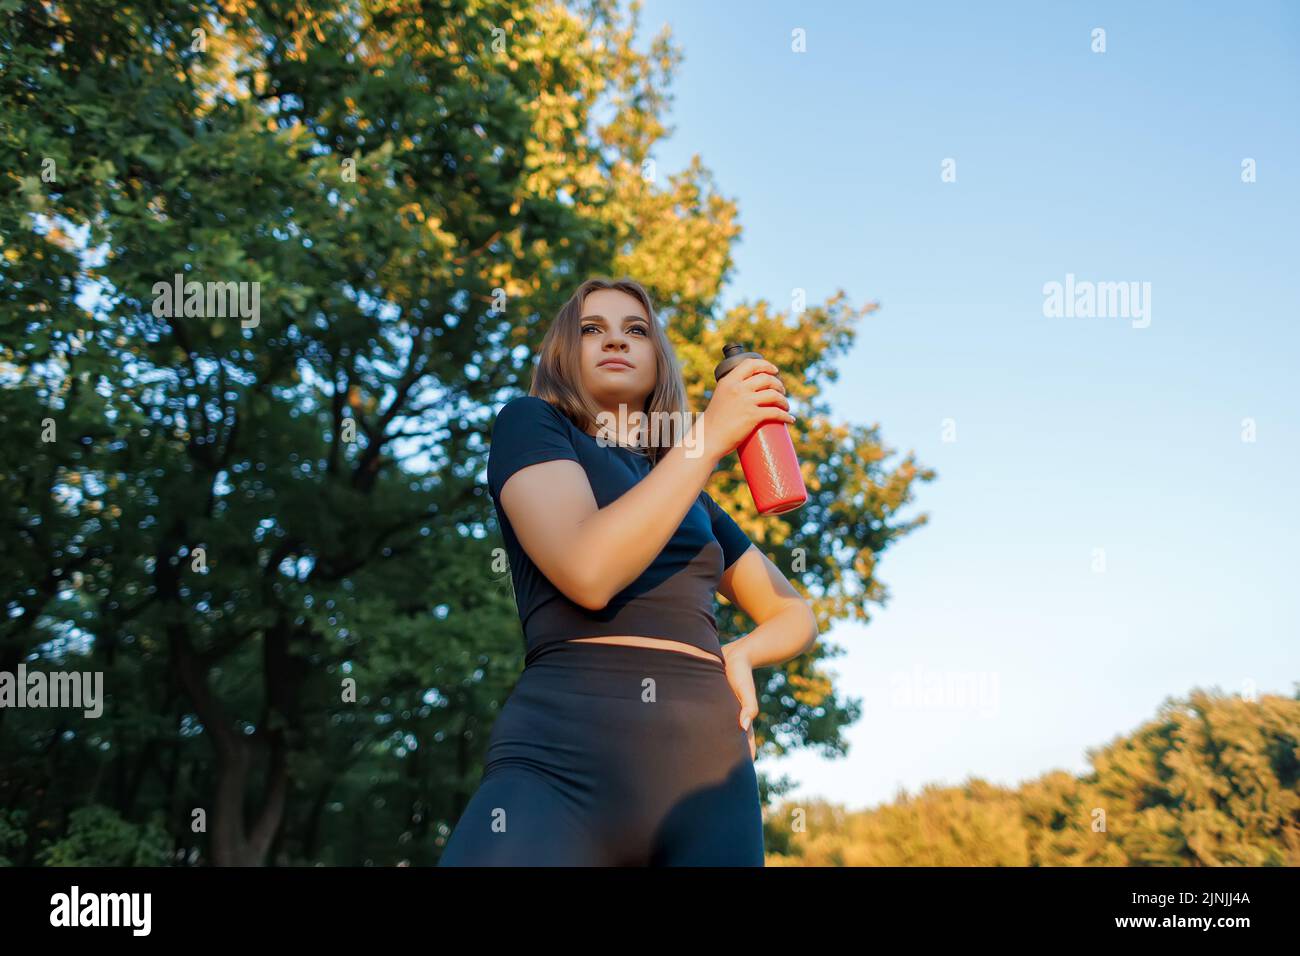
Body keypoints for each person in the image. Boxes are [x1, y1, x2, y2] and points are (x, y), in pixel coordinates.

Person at [438, 277, 819, 866]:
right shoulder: (533, 425)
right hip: (563, 754)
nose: (615, 340)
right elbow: (588, 571)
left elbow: (793, 611)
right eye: (593, 329)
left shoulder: (689, 493)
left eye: (635, 330)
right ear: (566, 352)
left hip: (711, 773)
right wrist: (710, 436)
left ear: (657, 360)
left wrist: (739, 654)